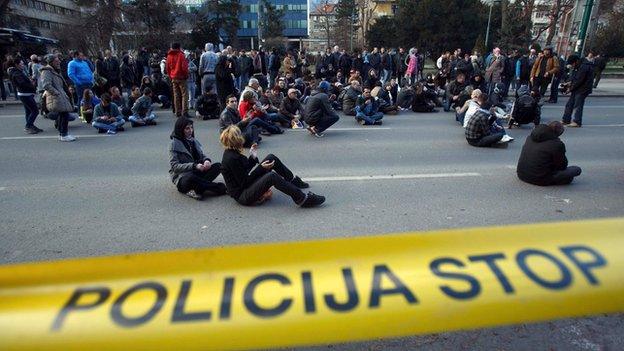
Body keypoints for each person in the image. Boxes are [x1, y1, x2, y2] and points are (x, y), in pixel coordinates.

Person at [219, 125, 325, 207]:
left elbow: (243, 171)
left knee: (271, 157)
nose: (243, 136)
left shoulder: (232, 152)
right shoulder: (232, 158)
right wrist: (261, 168)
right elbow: (244, 182)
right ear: (236, 139)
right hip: (243, 195)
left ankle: (293, 180)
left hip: (245, 187)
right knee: (272, 177)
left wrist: (253, 157)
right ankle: (302, 199)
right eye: (240, 134)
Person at [169, 118, 227, 200]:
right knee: (191, 177)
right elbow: (175, 166)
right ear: (180, 129)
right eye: (187, 128)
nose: (191, 130)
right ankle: (218, 188)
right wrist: (194, 166)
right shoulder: (174, 144)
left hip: (197, 172)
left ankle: (196, 189)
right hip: (183, 177)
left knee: (218, 166)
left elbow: (202, 155)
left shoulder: (193, 140)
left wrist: (207, 160)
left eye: (191, 127)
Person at [517, 121, 581, 186]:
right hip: (540, 179)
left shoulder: (530, 137)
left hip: (521, 174)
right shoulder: (557, 144)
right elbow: (562, 166)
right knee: (576, 170)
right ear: (558, 134)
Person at [40, 54, 76, 142]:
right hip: (56, 97)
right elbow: (46, 85)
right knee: (64, 114)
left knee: (63, 115)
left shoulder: (55, 70)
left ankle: (63, 134)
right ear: (51, 62)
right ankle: (64, 134)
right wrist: (57, 93)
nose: (59, 62)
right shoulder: (47, 71)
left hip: (61, 95)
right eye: (57, 61)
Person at [7, 58, 41, 134]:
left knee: (28, 111)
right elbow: (22, 83)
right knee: (35, 111)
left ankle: (31, 125)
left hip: (25, 94)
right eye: (21, 64)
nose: (23, 65)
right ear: (16, 65)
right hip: (25, 94)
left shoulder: (17, 71)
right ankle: (28, 126)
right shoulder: (16, 73)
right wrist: (31, 85)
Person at [561, 55, 593, 128]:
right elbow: (575, 78)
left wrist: (570, 89)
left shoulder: (584, 67)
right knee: (569, 104)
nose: (572, 65)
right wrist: (569, 83)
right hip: (577, 88)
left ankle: (577, 121)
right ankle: (566, 120)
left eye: (572, 64)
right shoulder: (579, 66)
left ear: (576, 61)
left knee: (577, 105)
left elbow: (579, 80)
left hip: (583, 89)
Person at [166, 42, 190, 118]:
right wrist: (186, 76)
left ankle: (177, 111)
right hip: (181, 77)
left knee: (176, 95)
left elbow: (167, 68)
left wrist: (171, 76)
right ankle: (184, 111)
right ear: (179, 47)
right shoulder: (181, 55)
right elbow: (184, 68)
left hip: (173, 77)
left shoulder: (169, 56)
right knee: (184, 95)